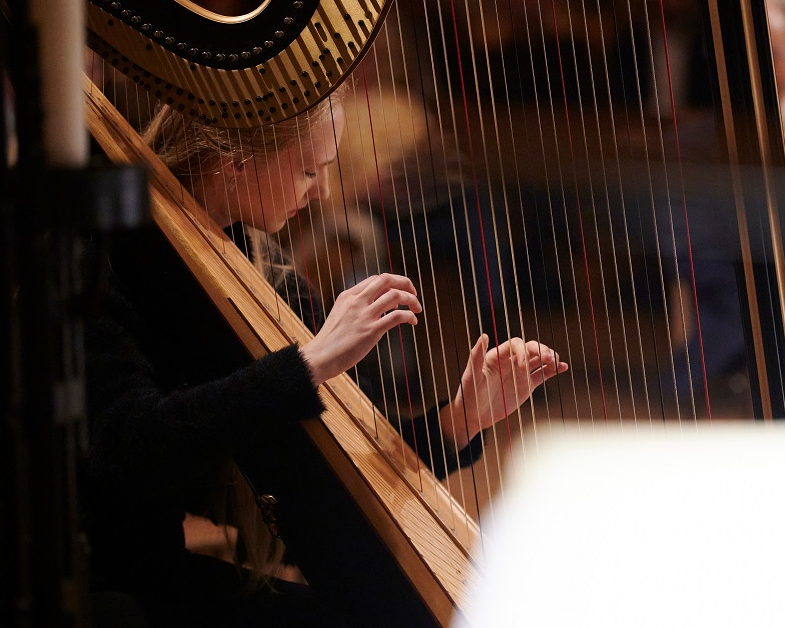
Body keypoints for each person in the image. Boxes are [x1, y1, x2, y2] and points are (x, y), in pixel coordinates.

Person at [81, 88, 568, 628]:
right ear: (236, 163)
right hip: (79, 580)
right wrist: (307, 365)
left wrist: (459, 420)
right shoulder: (105, 253)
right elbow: (126, 452)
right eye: (310, 171)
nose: (323, 191)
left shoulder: (262, 273)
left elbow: (342, 465)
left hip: (155, 574)